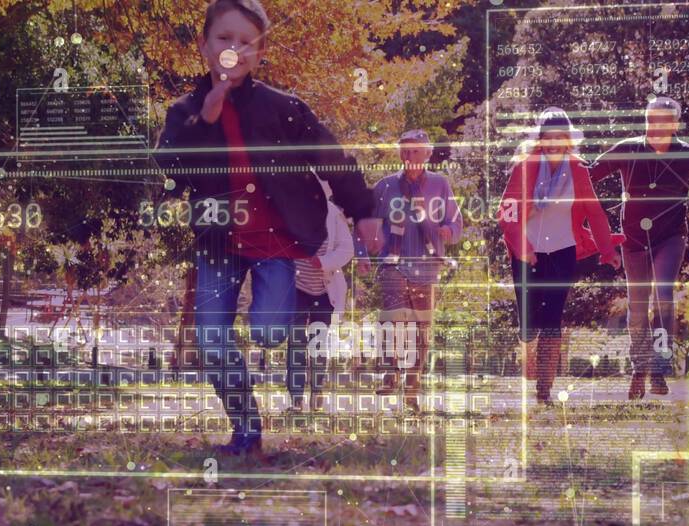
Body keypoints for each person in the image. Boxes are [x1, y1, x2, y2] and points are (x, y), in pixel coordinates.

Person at [155, 0, 381, 456]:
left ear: (259, 55)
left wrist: (365, 209)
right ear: (203, 45)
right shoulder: (184, 112)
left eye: (245, 42)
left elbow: (330, 156)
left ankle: (271, 340)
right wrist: (208, 117)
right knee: (212, 339)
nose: (233, 49)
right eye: (223, 38)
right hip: (219, 243)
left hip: (279, 243)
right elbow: (171, 168)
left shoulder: (283, 108)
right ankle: (245, 430)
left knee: (269, 332)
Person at [589, 96, 689, 399]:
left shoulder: (688, 154)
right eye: (651, 120)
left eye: (663, 121)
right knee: (637, 306)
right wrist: (584, 219)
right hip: (633, 239)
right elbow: (589, 176)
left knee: (663, 294)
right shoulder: (627, 149)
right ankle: (640, 369)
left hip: (670, 237)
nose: (655, 127)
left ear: (675, 124)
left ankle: (660, 370)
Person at [496, 108, 620, 406]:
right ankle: (529, 356)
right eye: (548, 137)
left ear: (568, 140)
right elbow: (506, 212)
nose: (553, 143)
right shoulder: (524, 168)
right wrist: (522, 246)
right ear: (539, 140)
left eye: (559, 138)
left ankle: (543, 391)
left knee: (552, 319)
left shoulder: (578, 169)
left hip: (562, 251)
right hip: (526, 252)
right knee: (529, 320)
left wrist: (607, 250)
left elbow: (594, 212)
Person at [364, 129, 463, 411]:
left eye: (415, 151)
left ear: (428, 154)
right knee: (393, 322)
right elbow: (367, 222)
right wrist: (365, 250)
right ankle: (390, 373)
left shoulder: (440, 185)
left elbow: (456, 223)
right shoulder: (385, 186)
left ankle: (412, 388)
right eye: (405, 151)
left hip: (427, 266)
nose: (409, 157)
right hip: (392, 264)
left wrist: (447, 231)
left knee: (421, 331)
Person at [287, 181, 354, 413]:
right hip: (296, 288)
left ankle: (317, 393)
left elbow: (347, 249)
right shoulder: (291, 210)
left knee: (318, 344)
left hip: (324, 292)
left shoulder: (334, 215)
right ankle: (295, 399)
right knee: (295, 343)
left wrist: (323, 262)